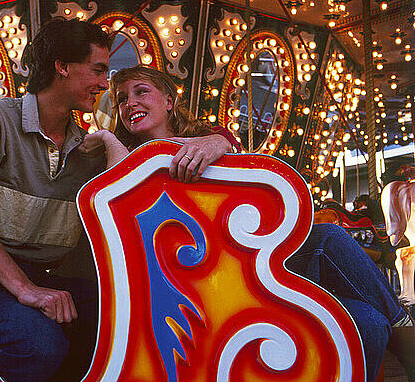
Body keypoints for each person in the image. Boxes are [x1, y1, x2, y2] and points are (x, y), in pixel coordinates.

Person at [79, 65, 415, 382]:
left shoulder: (208, 141)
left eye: (141, 92)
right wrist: (109, 139)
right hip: (186, 285)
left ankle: (400, 326)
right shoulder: (124, 154)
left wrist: (220, 140)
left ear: (169, 101)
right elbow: (119, 194)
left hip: (245, 264)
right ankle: (405, 331)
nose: (129, 103)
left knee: (346, 275)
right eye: (121, 98)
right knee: (362, 311)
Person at [0, 18, 111, 382]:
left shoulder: (88, 148)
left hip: (50, 274)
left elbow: (160, 149)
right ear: (62, 66)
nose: (105, 84)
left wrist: (219, 142)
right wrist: (24, 288)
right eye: (97, 70)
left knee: (128, 323)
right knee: (40, 347)